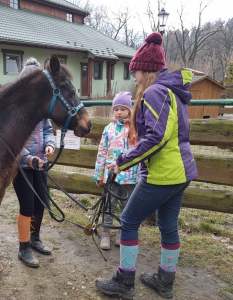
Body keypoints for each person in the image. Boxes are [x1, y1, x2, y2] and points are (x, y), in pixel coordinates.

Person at [95, 32, 198, 299]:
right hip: (181, 172)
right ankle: (165, 280)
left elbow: (156, 138)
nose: (135, 78)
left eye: (136, 72)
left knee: (128, 220)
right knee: (167, 224)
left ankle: (124, 282)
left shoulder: (154, 93)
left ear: (147, 70)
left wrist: (121, 161)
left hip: (162, 174)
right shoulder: (174, 92)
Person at [12, 57, 55, 268]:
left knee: (41, 204)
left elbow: (47, 129)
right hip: (22, 166)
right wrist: (29, 158)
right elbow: (12, 141)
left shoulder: (41, 109)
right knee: (27, 206)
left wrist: (50, 145)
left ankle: (34, 238)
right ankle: (23, 247)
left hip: (41, 162)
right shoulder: (14, 111)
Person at [93, 91, 139, 250]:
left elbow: (140, 153)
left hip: (130, 178)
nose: (119, 112)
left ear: (129, 110)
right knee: (109, 205)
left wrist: (140, 175)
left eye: (123, 109)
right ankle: (106, 232)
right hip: (111, 177)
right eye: (116, 109)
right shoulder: (108, 130)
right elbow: (102, 152)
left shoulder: (135, 129)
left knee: (127, 207)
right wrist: (99, 174)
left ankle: (122, 232)